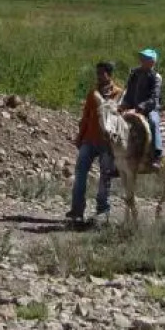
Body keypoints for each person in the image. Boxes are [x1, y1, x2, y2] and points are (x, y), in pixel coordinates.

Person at [67, 60, 120, 222]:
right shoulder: (92, 93)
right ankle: (77, 210)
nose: (98, 76)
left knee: (105, 176)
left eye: (101, 73)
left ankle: (102, 211)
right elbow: (86, 117)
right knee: (80, 173)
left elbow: (119, 118)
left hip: (107, 142)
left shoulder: (118, 94)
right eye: (97, 73)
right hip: (89, 139)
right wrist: (80, 137)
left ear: (109, 75)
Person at [120, 49, 164, 169]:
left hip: (150, 108)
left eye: (145, 58)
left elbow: (154, 98)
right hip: (132, 106)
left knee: (154, 122)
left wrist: (140, 107)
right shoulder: (134, 73)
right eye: (142, 58)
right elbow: (128, 92)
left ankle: (157, 154)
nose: (142, 60)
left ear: (152, 62)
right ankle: (114, 156)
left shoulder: (156, 77)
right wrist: (124, 104)